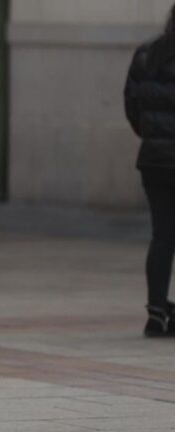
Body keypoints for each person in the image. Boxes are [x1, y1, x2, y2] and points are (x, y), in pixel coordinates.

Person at [124, 3, 175, 337]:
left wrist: (153, 136)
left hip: (154, 161)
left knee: (162, 236)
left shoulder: (147, 54)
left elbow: (132, 106)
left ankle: (156, 313)